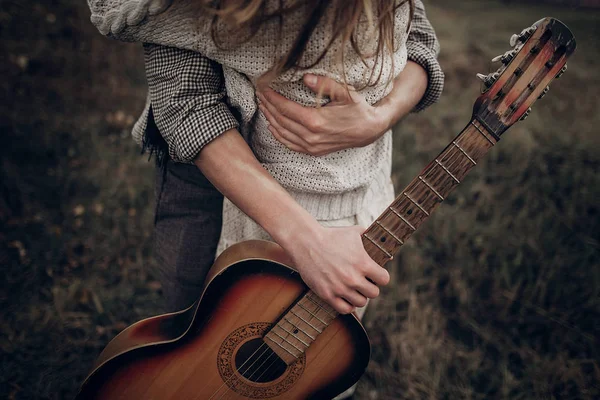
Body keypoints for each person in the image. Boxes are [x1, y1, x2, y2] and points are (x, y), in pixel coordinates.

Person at [87, 0, 442, 320]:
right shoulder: (177, 12)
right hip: (211, 180)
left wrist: (378, 119)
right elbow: (187, 104)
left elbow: (419, 39)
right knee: (196, 328)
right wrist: (311, 242)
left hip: (358, 182)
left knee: (319, 354)